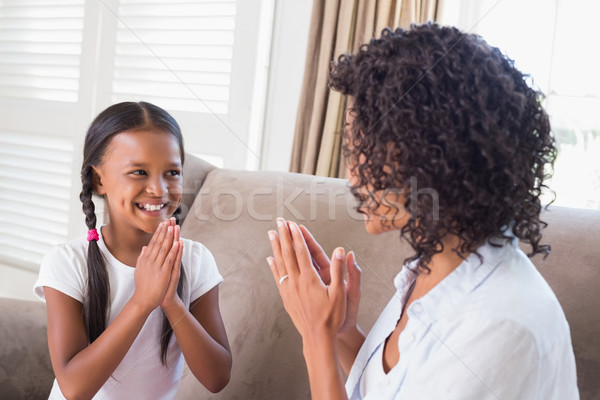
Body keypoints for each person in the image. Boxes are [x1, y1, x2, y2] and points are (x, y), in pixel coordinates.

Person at [266, 23, 579, 399]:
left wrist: (316, 336)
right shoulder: (432, 269)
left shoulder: (502, 329)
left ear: (431, 156)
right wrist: (341, 331)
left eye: (361, 151)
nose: (351, 175)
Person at [33, 102, 232, 399]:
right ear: (99, 180)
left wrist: (170, 301)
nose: (158, 189)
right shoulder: (66, 262)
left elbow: (217, 378)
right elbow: (74, 388)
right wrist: (142, 301)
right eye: (139, 171)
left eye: (172, 172)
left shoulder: (195, 260)